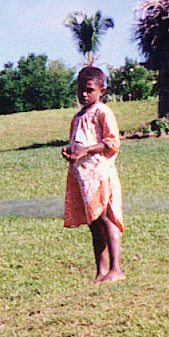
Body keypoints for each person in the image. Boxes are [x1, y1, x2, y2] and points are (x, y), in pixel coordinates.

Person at [61, 66, 125, 283]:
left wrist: (87, 150)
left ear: (101, 91)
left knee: (107, 218)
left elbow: (112, 142)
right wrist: (71, 153)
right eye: (81, 90)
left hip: (100, 174)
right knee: (94, 222)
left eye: (89, 90)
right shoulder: (78, 117)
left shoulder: (102, 112)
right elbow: (78, 142)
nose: (84, 95)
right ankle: (102, 270)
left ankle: (117, 268)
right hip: (84, 177)